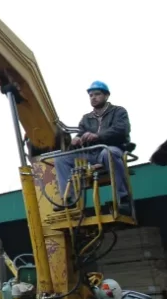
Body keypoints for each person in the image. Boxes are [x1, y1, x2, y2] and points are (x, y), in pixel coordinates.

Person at [53, 81, 132, 214]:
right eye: (91, 95)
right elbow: (81, 133)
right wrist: (76, 140)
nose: (93, 97)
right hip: (91, 154)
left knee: (109, 153)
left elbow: (121, 130)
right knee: (60, 158)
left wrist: (98, 136)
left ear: (106, 96)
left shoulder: (118, 111)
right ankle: (69, 199)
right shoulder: (86, 118)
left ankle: (123, 198)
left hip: (110, 148)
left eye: (97, 94)